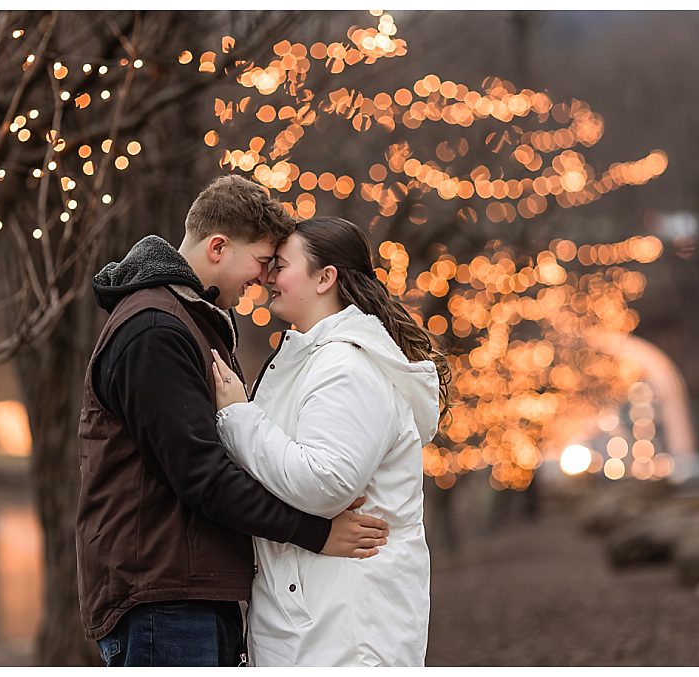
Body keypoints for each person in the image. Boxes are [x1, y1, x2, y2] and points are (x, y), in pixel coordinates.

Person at [79, 176, 391, 667]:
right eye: (263, 263)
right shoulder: (155, 329)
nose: (265, 279)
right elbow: (201, 475)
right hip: (163, 597)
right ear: (219, 247)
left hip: (187, 591)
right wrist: (316, 531)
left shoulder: (189, 321)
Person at [208, 216, 446, 666]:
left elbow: (325, 480)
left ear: (325, 278)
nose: (268, 277)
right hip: (318, 616)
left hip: (345, 626)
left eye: (281, 265)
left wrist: (239, 418)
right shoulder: (313, 361)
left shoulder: (346, 367)